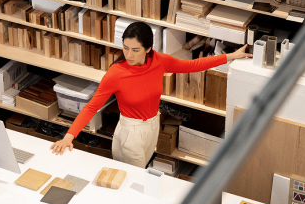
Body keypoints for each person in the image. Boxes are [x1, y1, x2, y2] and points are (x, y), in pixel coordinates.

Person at [50, 22, 252, 168]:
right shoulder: (116, 73)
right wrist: (69, 136)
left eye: (135, 50)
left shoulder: (159, 61)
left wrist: (231, 56)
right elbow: (91, 106)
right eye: (125, 48)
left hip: (152, 126)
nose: (128, 55)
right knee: (132, 186)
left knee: (142, 172)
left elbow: (193, 65)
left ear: (148, 49)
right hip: (131, 133)